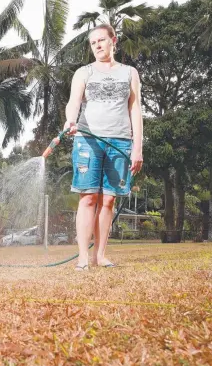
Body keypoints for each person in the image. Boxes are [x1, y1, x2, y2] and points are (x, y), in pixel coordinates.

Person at [63, 24, 143, 271]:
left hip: (120, 141)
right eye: (92, 42)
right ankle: (82, 259)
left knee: (108, 201)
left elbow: (135, 109)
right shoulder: (83, 72)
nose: (97, 45)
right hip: (88, 140)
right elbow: (73, 102)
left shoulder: (130, 73)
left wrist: (137, 147)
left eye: (101, 40)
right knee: (88, 198)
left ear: (113, 41)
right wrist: (71, 119)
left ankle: (100, 255)